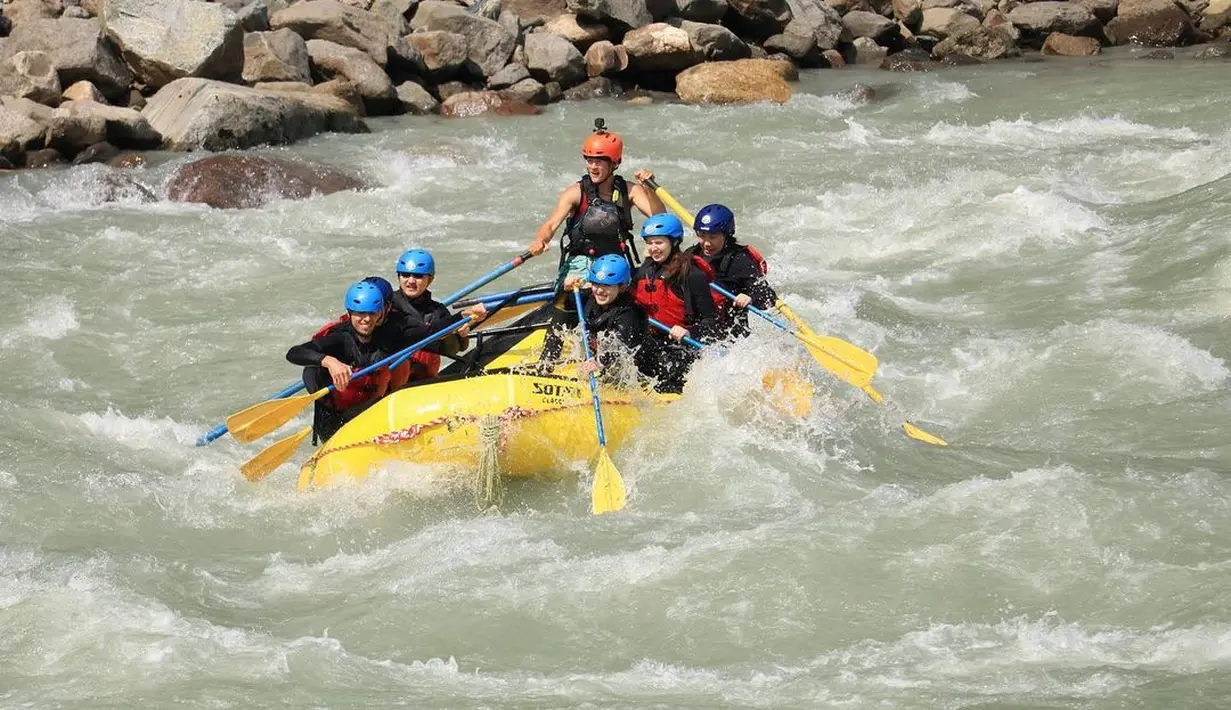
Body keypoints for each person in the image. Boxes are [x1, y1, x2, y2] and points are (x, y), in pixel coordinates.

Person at [528, 119, 665, 366]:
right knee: (568, 296)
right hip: (581, 264)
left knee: (627, 308)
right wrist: (540, 240)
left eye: (599, 161)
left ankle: (622, 361)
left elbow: (659, 218)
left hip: (615, 265)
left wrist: (650, 189)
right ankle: (548, 360)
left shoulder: (629, 191)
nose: (593, 166)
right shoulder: (576, 191)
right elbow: (550, 224)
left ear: (614, 164)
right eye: (589, 160)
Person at [287, 281, 394, 444]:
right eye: (360, 313)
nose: (366, 319)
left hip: (369, 410)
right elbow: (294, 353)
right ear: (349, 313)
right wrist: (329, 361)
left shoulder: (384, 337)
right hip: (335, 421)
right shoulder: (339, 340)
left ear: (380, 314)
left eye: (372, 313)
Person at [631, 213, 723, 394]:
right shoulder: (645, 270)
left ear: (674, 242)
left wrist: (689, 332)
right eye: (649, 243)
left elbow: (711, 322)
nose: (653, 248)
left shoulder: (692, 275)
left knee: (668, 380)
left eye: (659, 243)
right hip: (652, 342)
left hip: (682, 347)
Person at [388, 248, 485, 388]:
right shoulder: (388, 306)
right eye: (405, 275)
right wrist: (460, 317)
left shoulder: (437, 310)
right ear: (398, 276)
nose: (411, 281)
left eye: (418, 276)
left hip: (425, 381)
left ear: (430, 279)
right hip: (394, 382)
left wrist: (461, 335)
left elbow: (457, 348)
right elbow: (417, 335)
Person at [685, 203, 776, 339]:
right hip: (695, 329)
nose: (707, 243)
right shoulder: (691, 255)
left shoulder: (740, 260)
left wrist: (749, 297)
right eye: (702, 235)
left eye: (713, 237)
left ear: (726, 235)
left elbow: (768, 296)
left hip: (729, 337)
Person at [569, 254, 653, 386]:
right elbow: (564, 305)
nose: (599, 290)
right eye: (596, 284)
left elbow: (622, 351)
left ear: (622, 287)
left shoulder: (628, 315)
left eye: (607, 285)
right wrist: (566, 289)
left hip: (637, 376)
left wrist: (598, 363)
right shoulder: (592, 299)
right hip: (605, 367)